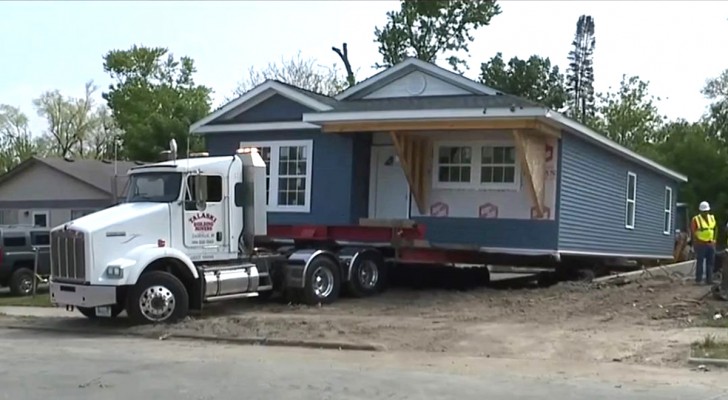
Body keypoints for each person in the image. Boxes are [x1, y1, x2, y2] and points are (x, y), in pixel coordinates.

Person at [691, 201, 717, 284]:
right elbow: (693, 231)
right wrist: (695, 242)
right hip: (700, 244)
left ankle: (709, 280)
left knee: (710, 262)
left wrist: (714, 239)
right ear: (700, 211)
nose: (706, 213)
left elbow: (715, 229)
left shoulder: (712, 218)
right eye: (704, 211)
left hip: (710, 243)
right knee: (700, 262)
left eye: (707, 211)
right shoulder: (696, 219)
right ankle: (698, 280)